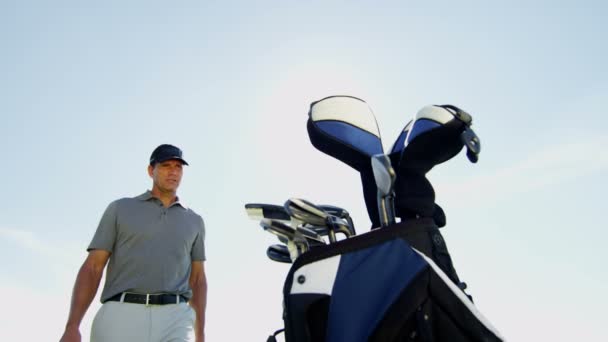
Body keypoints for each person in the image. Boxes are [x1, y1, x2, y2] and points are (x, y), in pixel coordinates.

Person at [60, 144, 207, 342]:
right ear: (150, 170)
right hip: (122, 314)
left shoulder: (194, 221)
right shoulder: (120, 209)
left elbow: (197, 279)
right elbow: (93, 267)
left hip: (176, 318)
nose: (173, 171)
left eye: (178, 167)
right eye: (166, 165)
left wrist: (200, 334)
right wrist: (73, 325)